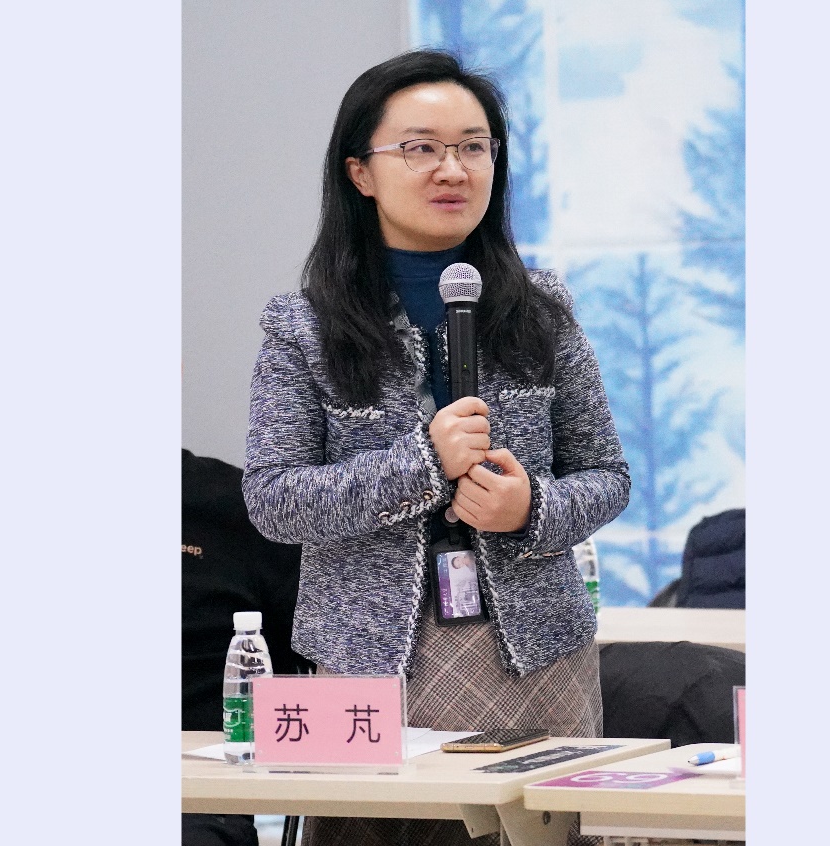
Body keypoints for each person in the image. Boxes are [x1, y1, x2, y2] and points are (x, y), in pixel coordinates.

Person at [242, 49, 630, 846]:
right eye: (420, 148)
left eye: (473, 146)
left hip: (536, 657)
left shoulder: (542, 309)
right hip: (363, 663)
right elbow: (274, 500)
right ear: (360, 172)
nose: (452, 169)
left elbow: (606, 475)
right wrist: (421, 464)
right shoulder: (302, 328)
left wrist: (531, 508)